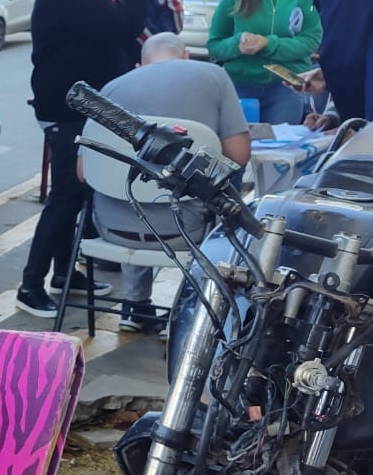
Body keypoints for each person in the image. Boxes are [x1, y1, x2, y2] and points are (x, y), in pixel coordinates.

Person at [17, 0, 154, 319]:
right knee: (66, 196)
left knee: (76, 196)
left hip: (82, 110)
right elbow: (124, 24)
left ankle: (64, 274)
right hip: (69, 112)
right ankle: (30, 286)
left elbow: (111, 30)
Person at [80, 33, 250, 333]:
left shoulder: (113, 88)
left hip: (113, 229)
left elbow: (83, 172)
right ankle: (188, 311)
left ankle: (134, 305)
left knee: (131, 189)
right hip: (186, 231)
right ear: (185, 56)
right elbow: (239, 154)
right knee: (206, 187)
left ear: (139, 66)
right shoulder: (213, 76)